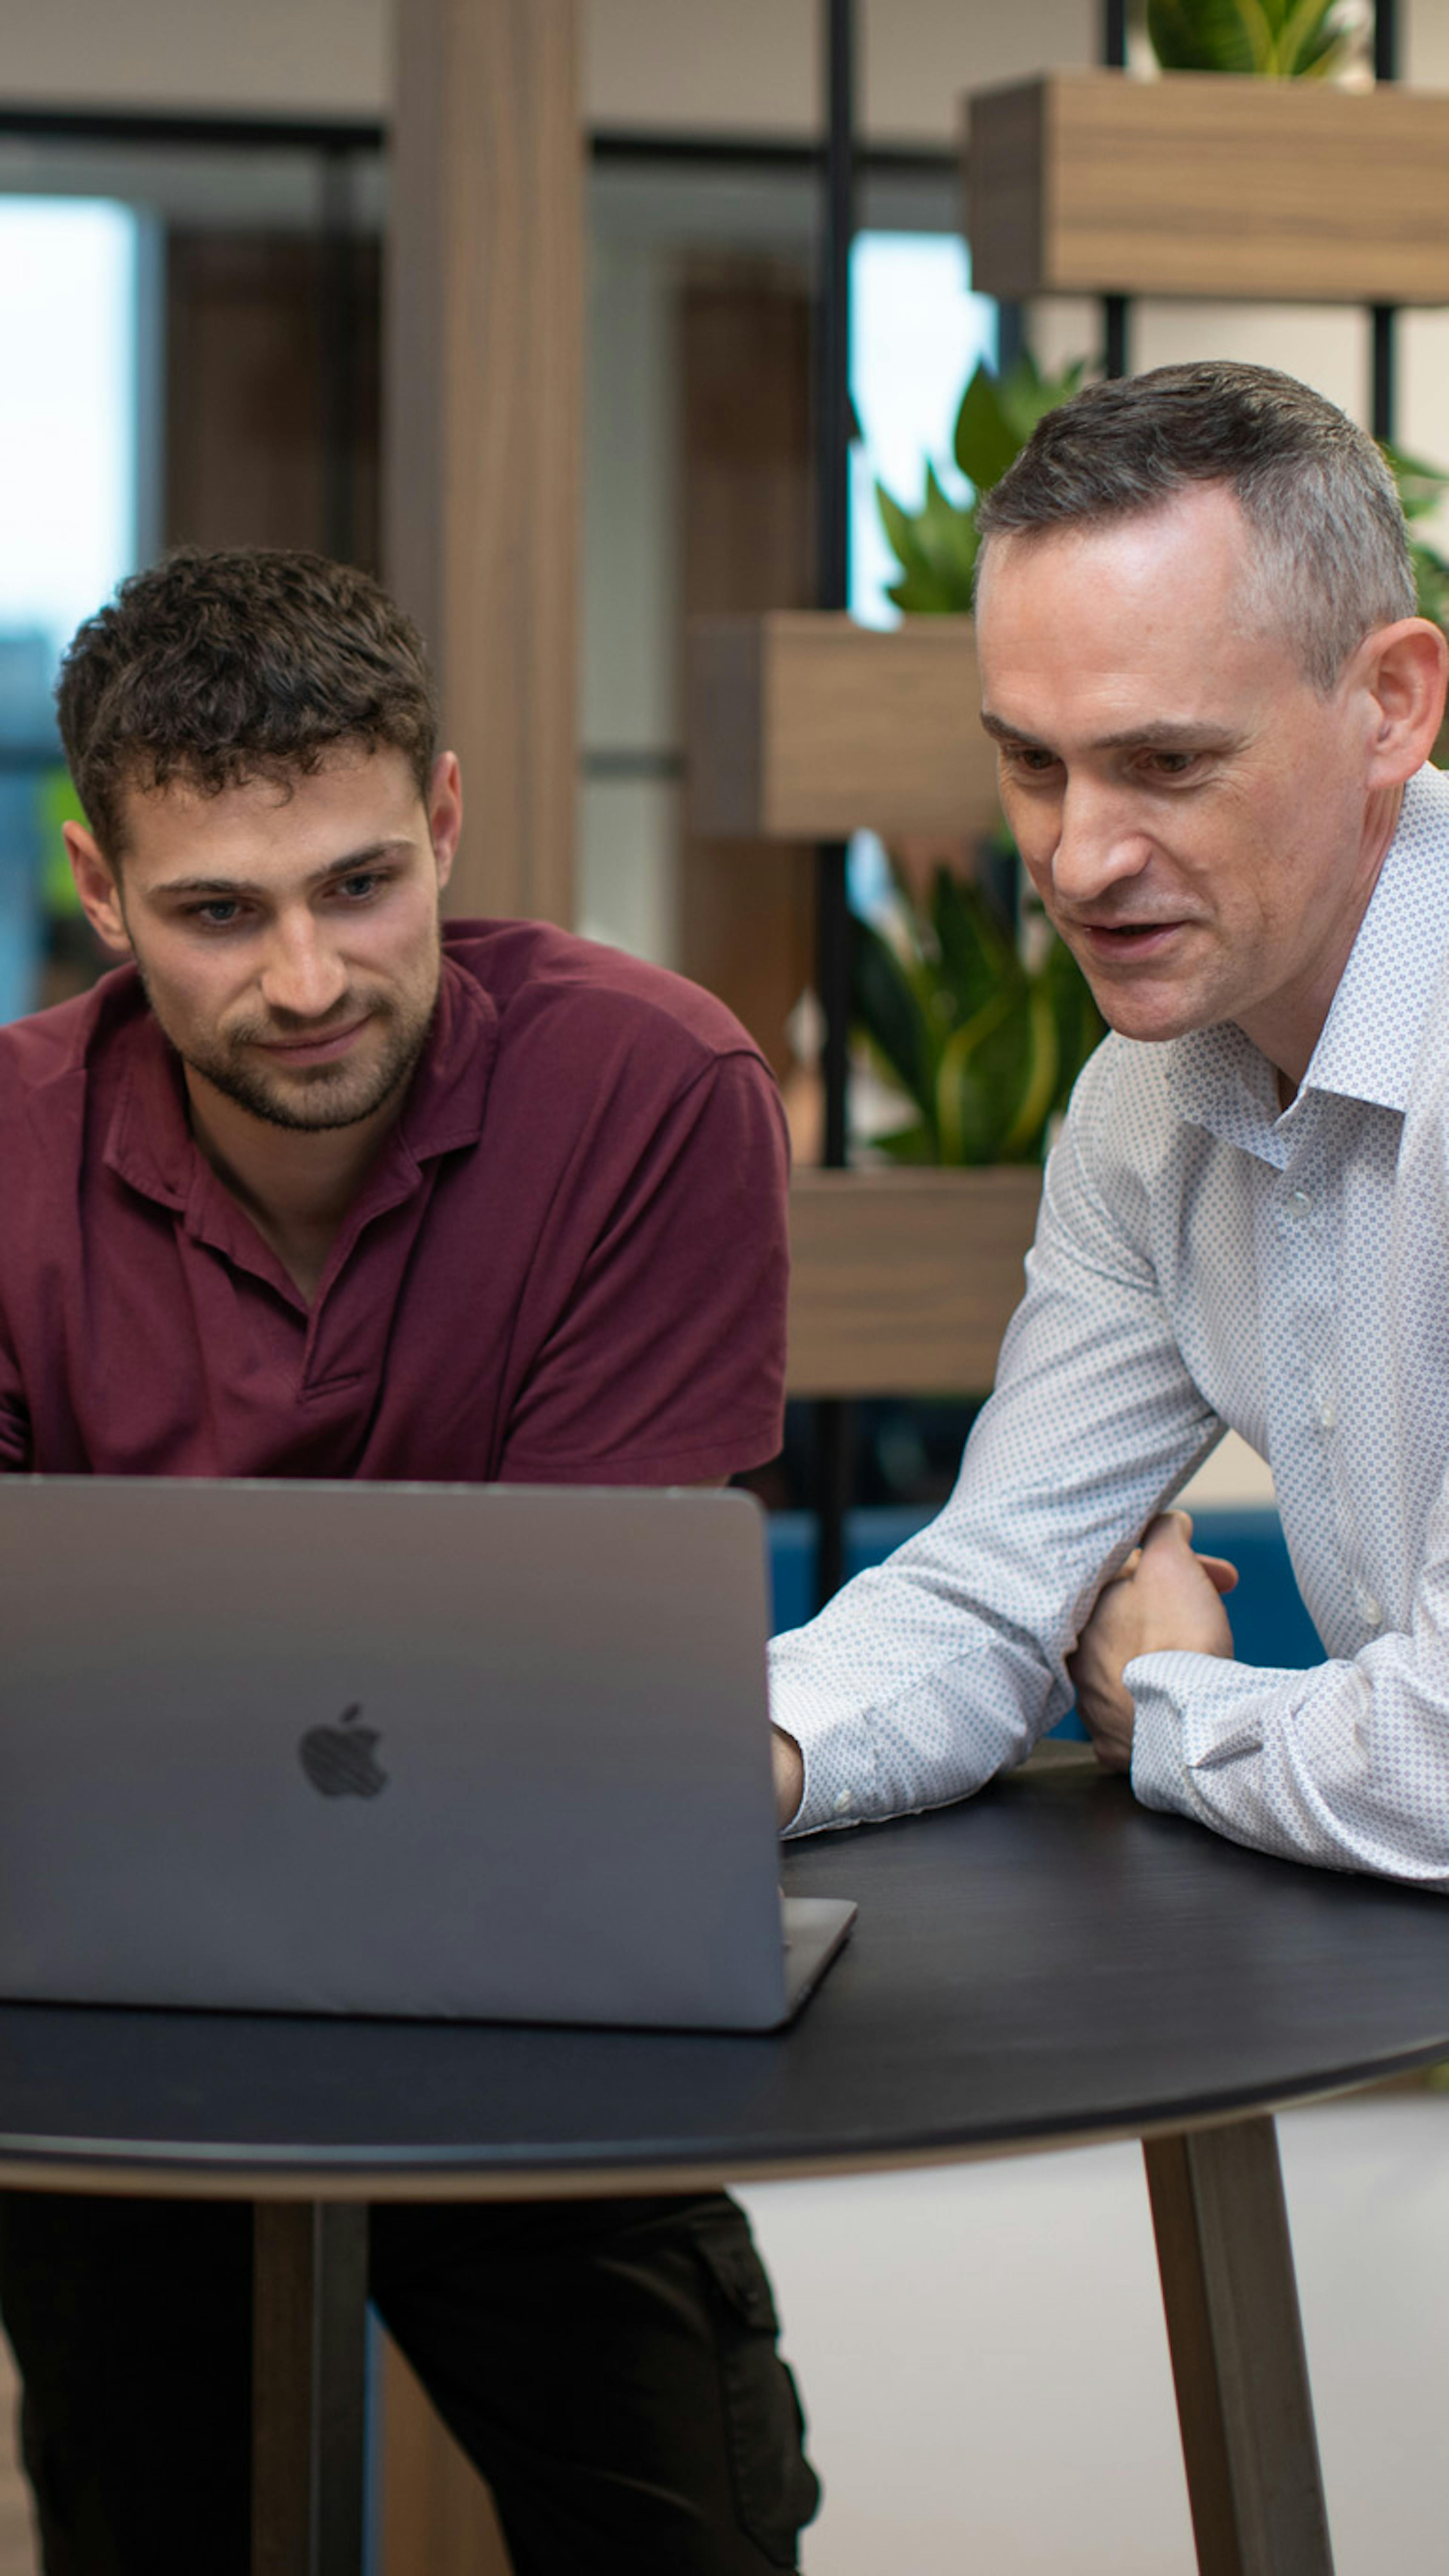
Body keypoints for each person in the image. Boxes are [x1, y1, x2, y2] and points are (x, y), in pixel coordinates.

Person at [0, 547, 820, 2576]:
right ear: (103, 895)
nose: (304, 979)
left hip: (542, 2005)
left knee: (696, 2539)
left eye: (361, 885)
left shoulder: (651, 1090)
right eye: (215, 912)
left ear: (444, 822)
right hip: (121, 2031)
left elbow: (577, 1705)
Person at [769, 359, 1449, 1895]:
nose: (1076, 861)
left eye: (1166, 764)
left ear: (1392, 705)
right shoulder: (1148, 1096)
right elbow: (1001, 1585)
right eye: (1032, 764)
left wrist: (1166, 1706)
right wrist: (721, 1760)